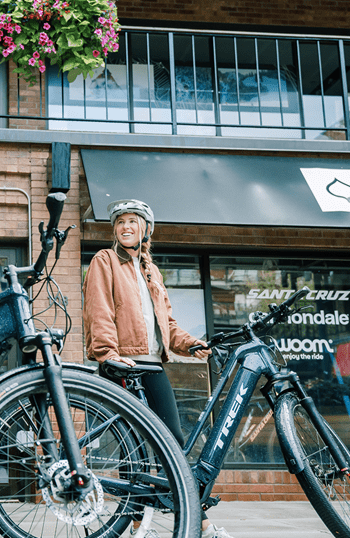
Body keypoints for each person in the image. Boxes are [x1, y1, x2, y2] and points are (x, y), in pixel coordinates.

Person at [82, 199, 235, 538]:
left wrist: (191, 344)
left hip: (152, 366)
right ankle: (140, 524)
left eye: (133, 221)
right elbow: (99, 310)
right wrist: (107, 354)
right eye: (120, 222)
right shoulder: (104, 261)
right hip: (123, 364)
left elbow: (166, 323)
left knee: (174, 441)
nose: (125, 227)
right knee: (133, 449)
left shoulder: (150, 271)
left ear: (146, 229)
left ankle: (197, 519)